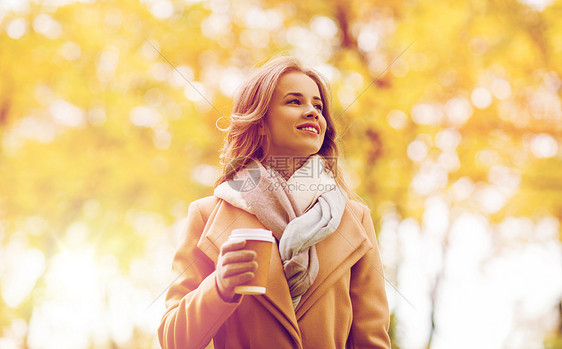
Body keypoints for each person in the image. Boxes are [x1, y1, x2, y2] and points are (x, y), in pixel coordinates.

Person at [158, 56, 391, 348]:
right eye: (295, 102)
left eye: (318, 106)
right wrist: (220, 286)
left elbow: (372, 340)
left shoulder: (354, 218)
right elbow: (174, 340)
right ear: (260, 123)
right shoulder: (208, 215)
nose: (312, 112)